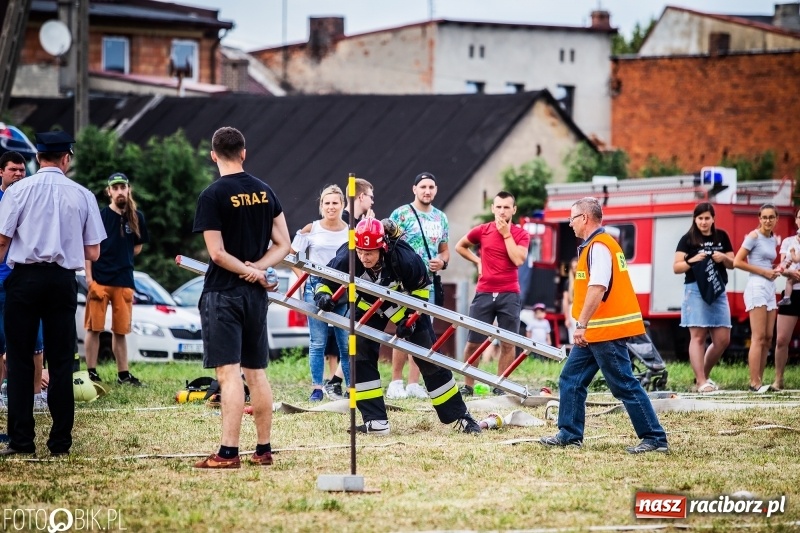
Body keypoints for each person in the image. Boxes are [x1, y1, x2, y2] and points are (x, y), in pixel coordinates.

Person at [315, 218, 480, 434]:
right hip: (367, 304)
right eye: (361, 252)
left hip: (403, 303)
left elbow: (421, 292)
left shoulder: (405, 258)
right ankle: (376, 423)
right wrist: (323, 297)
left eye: (370, 253)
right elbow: (325, 281)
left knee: (429, 355)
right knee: (360, 354)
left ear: (382, 247)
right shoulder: (349, 254)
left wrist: (409, 321)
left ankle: (459, 416)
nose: (364, 257)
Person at [0, 131, 106, 457]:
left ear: (36, 159)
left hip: (24, 279)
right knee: (61, 362)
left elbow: (2, 241)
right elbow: (94, 251)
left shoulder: (18, 191)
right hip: (62, 280)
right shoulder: (83, 194)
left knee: (18, 360)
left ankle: (21, 441)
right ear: (66, 158)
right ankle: (60, 443)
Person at [192, 127, 291, 469]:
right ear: (244, 153)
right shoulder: (265, 191)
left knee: (229, 374)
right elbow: (284, 244)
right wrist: (259, 270)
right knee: (257, 373)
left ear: (213, 155)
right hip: (255, 297)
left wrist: (248, 271)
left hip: (224, 294)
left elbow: (217, 254)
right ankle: (263, 449)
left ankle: (228, 453)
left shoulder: (212, 195)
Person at [539, 197, 669, 454]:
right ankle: (569, 434)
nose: (570, 224)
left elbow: (598, 288)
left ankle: (654, 438)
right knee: (571, 378)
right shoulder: (597, 245)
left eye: (572, 218)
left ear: (585, 219)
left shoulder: (599, 246)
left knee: (623, 383)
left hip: (603, 330)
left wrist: (581, 324)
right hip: (596, 330)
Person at [454, 191, 529, 396]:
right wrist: (478, 261)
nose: (502, 211)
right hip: (484, 292)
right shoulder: (482, 230)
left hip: (509, 293)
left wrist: (506, 234)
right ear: (492, 209)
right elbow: (459, 246)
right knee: (473, 343)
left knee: (508, 343)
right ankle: (468, 385)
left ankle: (501, 385)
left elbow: (518, 260)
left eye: (507, 207)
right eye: (499, 207)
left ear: (514, 210)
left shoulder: (521, 234)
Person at [385, 172, 449, 400]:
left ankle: (414, 383)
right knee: (403, 329)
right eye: (423, 186)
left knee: (423, 331)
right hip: (403, 281)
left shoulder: (440, 218)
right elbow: (387, 246)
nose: (427, 191)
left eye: (431, 186)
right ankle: (395, 382)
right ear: (414, 189)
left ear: (436, 189)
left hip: (428, 285)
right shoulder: (400, 214)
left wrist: (441, 261)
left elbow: (444, 249)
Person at [84, 172, 150, 386]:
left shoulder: (136, 217)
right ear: (109, 191)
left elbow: (138, 247)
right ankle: (91, 372)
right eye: (116, 188)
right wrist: (89, 279)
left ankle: (123, 374)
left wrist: (122, 254)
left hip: (124, 280)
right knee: (94, 328)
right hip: (100, 280)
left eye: (123, 187)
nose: (120, 191)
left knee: (120, 331)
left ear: (128, 189)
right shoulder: (100, 216)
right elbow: (88, 249)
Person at [290, 184, 350, 401]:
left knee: (345, 341)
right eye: (327, 203)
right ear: (321, 205)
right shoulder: (311, 229)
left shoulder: (349, 231)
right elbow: (292, 255)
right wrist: (303, 280)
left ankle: (350, 389)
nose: (331, 207)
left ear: (342, 205)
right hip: (315, 285)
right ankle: (317, 387)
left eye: (335, 203)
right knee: (318, 341)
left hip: (342, 287)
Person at [0, 152, 47, 411]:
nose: (19, 174)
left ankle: (37, 394)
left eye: (22, 170)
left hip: (24, 278)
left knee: (35, 340)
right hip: (1, 279)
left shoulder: (29, 198)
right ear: (1, 172)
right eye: (13, 170)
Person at [673, 202, 734, 393]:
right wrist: (692, 261)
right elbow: (676, 267)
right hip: (695, 289)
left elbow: (733, 263)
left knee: (723, 339)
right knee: (698, 337)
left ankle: (703, 376)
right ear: (695, 219)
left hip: (717, 289)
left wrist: (723, 258)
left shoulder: (722, 236)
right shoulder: (688, 239)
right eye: (700, 218)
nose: (704, 222)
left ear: (713, 218)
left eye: (707, 218)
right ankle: (700, 382)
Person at [324, 177, 376, 395]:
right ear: (361, 196)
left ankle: (339, 381)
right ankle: (335, 383)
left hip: (353, 289)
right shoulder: (344, 223)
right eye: (371, 197)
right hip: (337, 289)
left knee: (357, 339)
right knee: (348, 342)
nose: (372, 202)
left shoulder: (359, 222)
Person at [733, 203, 781, 393]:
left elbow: (768, 261)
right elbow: (737, 261)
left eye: (771, 217)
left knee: (768, 337)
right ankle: (754, 382)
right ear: (759, 219)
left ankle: (760, 380)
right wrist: (763, 271)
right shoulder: (753, 237)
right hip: (756, 286)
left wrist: (775, 271)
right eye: (764, 217)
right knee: (758, 337)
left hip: (770, 286)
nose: (768, 220)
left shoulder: (772, 239)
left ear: (776, 219)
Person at [773, 207, 800, 392]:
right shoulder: (789, 242)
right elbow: (781, 266)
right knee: (782, 339)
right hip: (793, 291)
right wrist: (788, 269)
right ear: (796, 220)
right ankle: (778, 379)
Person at [777, 228, 800, 306]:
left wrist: (792, 252)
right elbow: (782, 267)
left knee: (790, 280)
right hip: (795, 273)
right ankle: (787, 298)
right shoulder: (788, 241)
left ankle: (787, 298)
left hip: (797, 271)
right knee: (789, 280)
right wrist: (787, 265)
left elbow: (796, 260)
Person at [561, 257, 578, 343]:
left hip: (583, 307)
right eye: (574, 267)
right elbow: (565, 301)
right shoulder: (568, 282)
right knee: (573, 337)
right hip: (572, 308)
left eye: (577, 267)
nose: (575, 270)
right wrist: (566, 317)